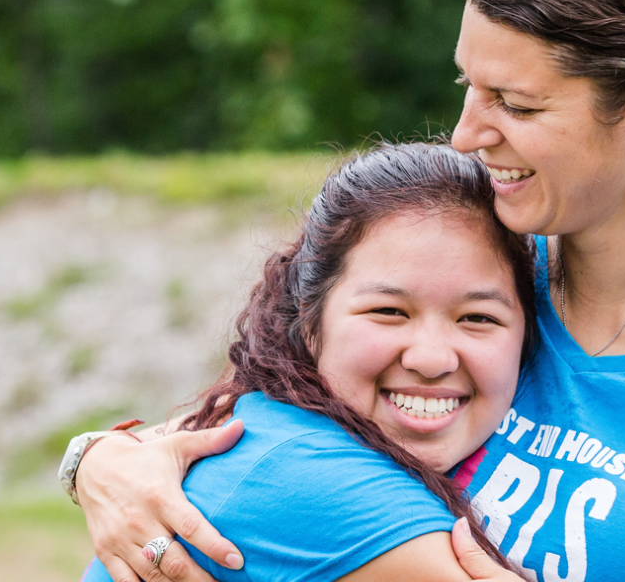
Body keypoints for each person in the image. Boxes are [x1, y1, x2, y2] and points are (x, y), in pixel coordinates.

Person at [68, 0, 625, 581]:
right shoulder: (477, 275)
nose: (464, 135)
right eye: (468, 86)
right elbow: (263, 422)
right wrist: (97, 462)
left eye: (516, 105)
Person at [70, 143, 539, 581]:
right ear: (309, 322)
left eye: (477, 317)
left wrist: (91, 456)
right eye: (389, 312)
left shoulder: (270, 422)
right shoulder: (312, 479)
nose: (432, 359)